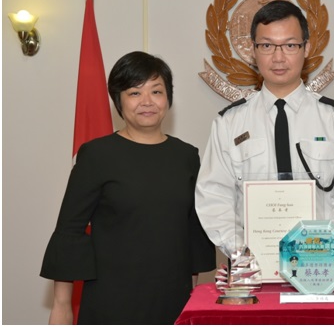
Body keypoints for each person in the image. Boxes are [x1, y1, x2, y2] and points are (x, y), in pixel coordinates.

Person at [40, 51, 215, 324]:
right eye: (134, 93)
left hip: (173, 301)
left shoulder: (187, 156)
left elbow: (192, 232)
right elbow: (69, 232)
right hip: (111, 302)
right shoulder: (97, 155)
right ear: (118, 100)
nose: (147, 102)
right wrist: (62, 307)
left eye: (156, 91)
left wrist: (190, 297)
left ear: (168, 97)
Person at [195, 0, 334, 258]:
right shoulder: (229, 123)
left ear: (306, 48)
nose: (278, 57)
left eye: (290, 45)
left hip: (320, 266)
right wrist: (241, 250)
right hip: (252, 269)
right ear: (253, 51)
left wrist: (324, 246)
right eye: (267, 45)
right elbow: (214, 197)